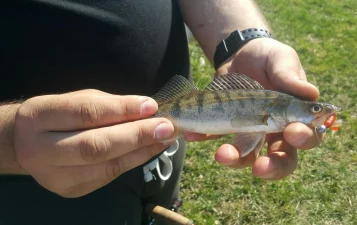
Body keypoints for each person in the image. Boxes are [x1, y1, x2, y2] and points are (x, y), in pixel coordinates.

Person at [0, 0, 322, 224]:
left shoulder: (269, 114)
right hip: (31, 195)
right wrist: (9, 140)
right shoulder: (268, 111)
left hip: (162, 155)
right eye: (314, 109)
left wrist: (241, 40)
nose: (317, 112)